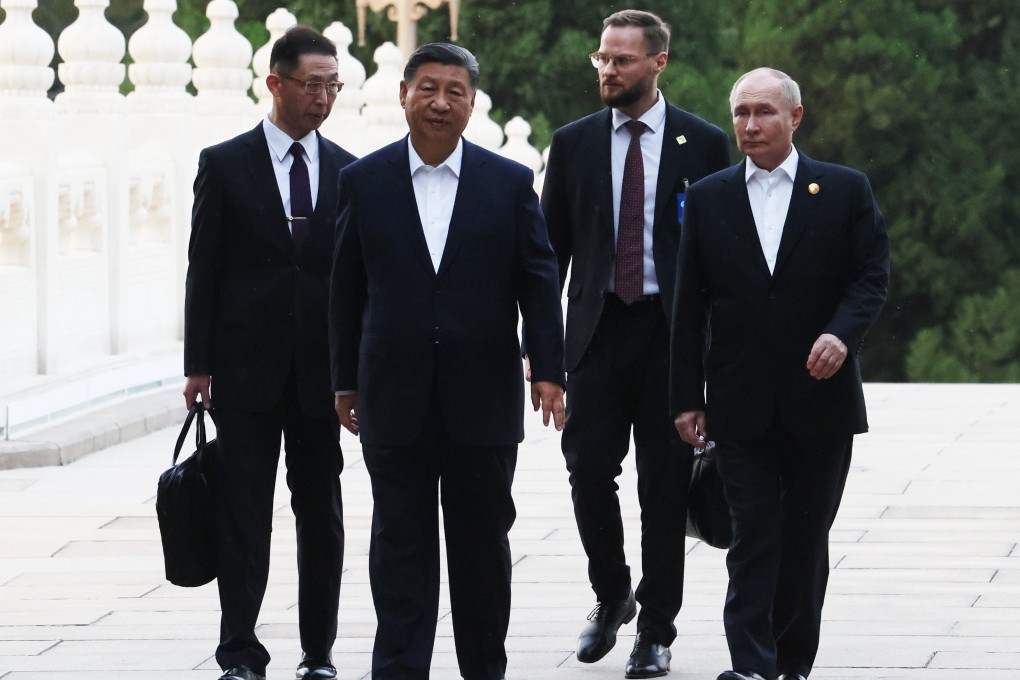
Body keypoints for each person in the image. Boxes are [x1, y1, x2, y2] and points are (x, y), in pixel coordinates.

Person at [328, 42, 566, 680]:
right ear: (403, 94)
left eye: (454, 91)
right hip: (391, 393)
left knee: (481, 545)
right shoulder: (364, 180)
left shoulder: (509, 182)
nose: (440, 102)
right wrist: (344, 379)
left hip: (482, 396)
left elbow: (538, 281)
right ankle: (399, 669)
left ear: (471, 102)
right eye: (427, 88)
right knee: (399, 541)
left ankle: (484, 667)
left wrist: (547, 368)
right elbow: (345, 289)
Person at [670, 67, 891, 680]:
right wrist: (687, 397)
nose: (750, 124)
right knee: (753, 537)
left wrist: (841, 334)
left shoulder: (844, 190)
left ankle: (792, 662)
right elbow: (688, 304)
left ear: (795, 117)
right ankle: (751, 665)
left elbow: (870, 276)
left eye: (764, 111)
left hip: (820, 400)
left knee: (804, 538)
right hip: (739, 402)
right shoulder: (711, 196)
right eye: (740, 112)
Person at [540, 9, 730, 679]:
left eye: (622, 60)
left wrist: (718, 364)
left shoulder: (703, 145)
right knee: (588, 470)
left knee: (665, 488)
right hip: (595, 333)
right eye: (602, 59)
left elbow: (721, 257)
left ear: (658, 63)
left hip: (672, 338)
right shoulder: (573, 143)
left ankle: (657, 629)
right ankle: (613, 590)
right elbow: (547, 256)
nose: (608, 70)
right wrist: (544, 361)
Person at [182, 26, 357, 680]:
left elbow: (357, 281)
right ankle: (240, 654)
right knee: (242, 516)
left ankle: (319, 654)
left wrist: (358, 374)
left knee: (322, 518)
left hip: (322, 376)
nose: (322, 98)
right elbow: (205, 269)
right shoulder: (224, 164)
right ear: (275, 83)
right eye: (311, 84)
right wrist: (197, 365)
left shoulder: (349, 171)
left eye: (332, 86)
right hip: (244, 372)